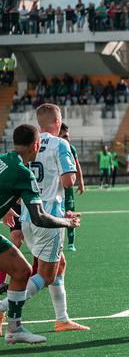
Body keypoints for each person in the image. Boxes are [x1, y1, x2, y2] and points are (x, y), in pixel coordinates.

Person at [0, 125, 81, 344]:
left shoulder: (3, 159)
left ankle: (14, 329)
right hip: (42, 222)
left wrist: (5, 208)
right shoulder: (24, 174)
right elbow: (39, 217)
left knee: (22, 271)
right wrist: (67, 222)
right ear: (35, 145)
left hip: (25, 225)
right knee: (33, 272)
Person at [20, 104, 89, 331]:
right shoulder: (60, 143)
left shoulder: (30, 144)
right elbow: (68, 181)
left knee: (59, 265)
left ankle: (62, 319)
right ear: (58, 122)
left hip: (27, 216)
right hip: (49, 219)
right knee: (45, 275)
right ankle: (4, 305)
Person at [59, 123, 85, 252]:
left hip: (67, 187)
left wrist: (81, 182)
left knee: (70, 212)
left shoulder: (71, 148)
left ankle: (70, 243)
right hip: (54, 188)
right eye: (64, 136)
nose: (67, 139)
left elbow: (77, 165)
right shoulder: (52, 147)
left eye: (68, 136)